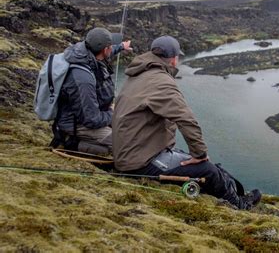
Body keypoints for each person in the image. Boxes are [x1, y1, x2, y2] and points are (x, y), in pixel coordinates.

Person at [112, 35, 261, 209]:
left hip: (133, 152)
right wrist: (199, 154)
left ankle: (238, 193)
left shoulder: (139, 74)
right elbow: (186, 120)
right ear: (174, 60)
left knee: (202, 164)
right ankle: (240, 206)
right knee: (208, 170)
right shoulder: (161, 82)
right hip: (139, 162)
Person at [55, 27, 132, 155]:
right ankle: (72, 144)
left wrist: (122, 46)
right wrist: (112, 113)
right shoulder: (83, 79)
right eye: (111, 46)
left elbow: (108, 52)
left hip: (93, 115)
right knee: (125, 145)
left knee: (129, 129)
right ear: (104, 49)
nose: (112, 48)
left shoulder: (88, 55)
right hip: (78, 125)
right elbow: (91, 119)